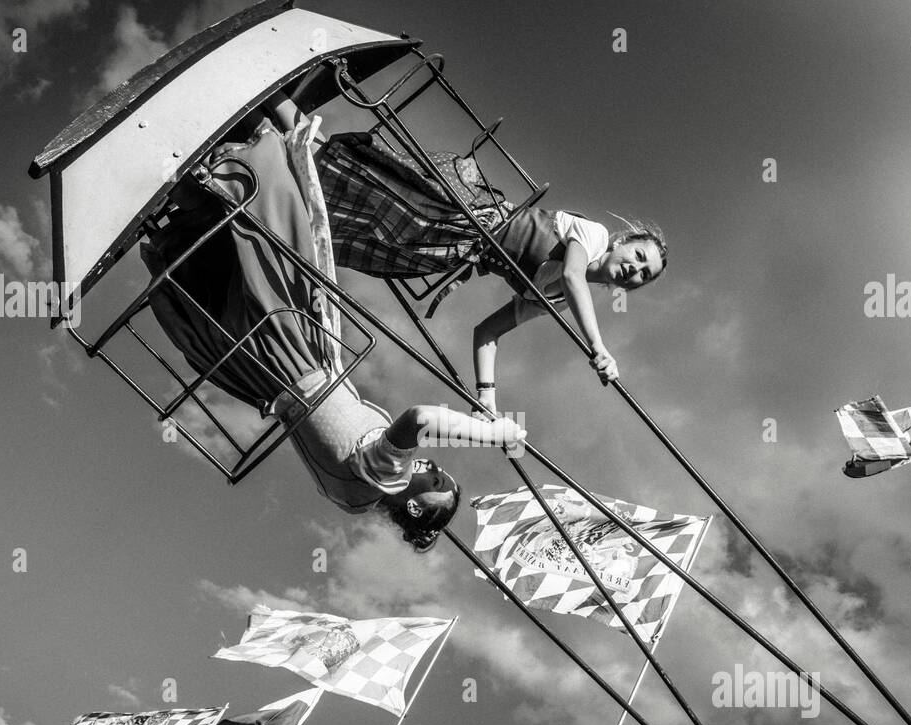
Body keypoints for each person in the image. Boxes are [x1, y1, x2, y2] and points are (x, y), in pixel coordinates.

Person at [140, 121, 525, 551]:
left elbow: (420, 419)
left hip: (296, 357)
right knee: (242, 263)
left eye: (434, 477)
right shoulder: (351, 501)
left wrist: (494, 435)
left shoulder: (386, 477)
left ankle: (226, 164)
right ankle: (175, 181)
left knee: (276, 242)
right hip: (268, 377)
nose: (432, 465)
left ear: (413, 506)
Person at [269, 95, 666, 418]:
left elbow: (487, 333)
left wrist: (487, 397)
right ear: (622, 241)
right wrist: (599, 347)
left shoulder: (555, 303)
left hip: (452, 248)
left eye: (642, 276)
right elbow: (574, 275)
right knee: (367, 177)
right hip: (464, 212)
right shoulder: (592, 235)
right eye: (638, 255)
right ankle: (275, 103)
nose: (635, 269)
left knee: (348, 225)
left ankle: (269, 186)